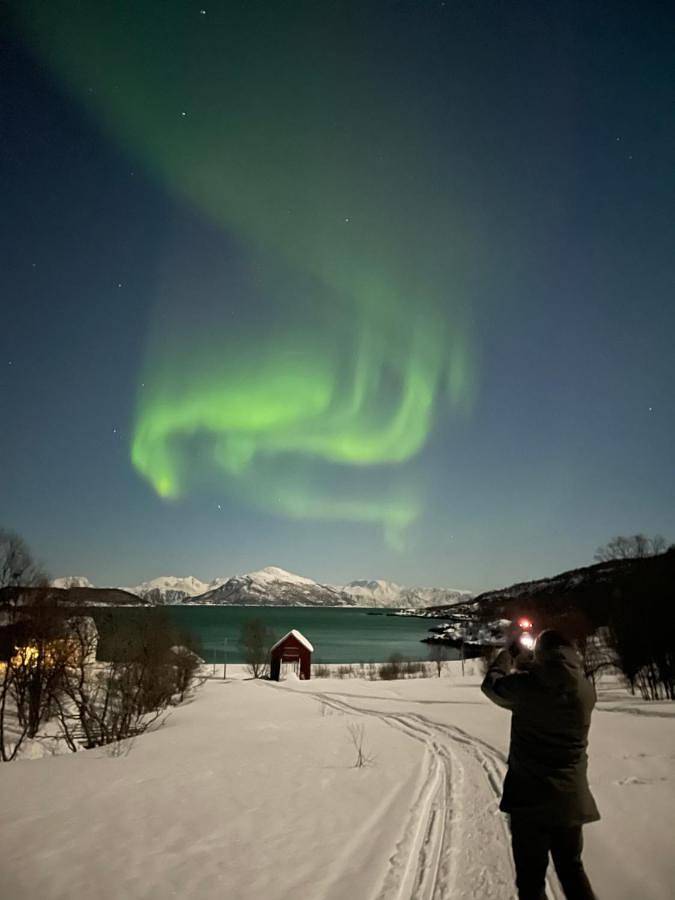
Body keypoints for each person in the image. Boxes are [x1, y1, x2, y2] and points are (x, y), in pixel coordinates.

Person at [481, 629, 599, 900]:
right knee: (572, 870)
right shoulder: (585, 690)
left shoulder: (528, 686)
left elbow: (492, 685)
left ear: (541, 653)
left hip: (529, 800)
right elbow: (553, 686)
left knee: (531, 881)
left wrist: (508, 655)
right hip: (571, 797)